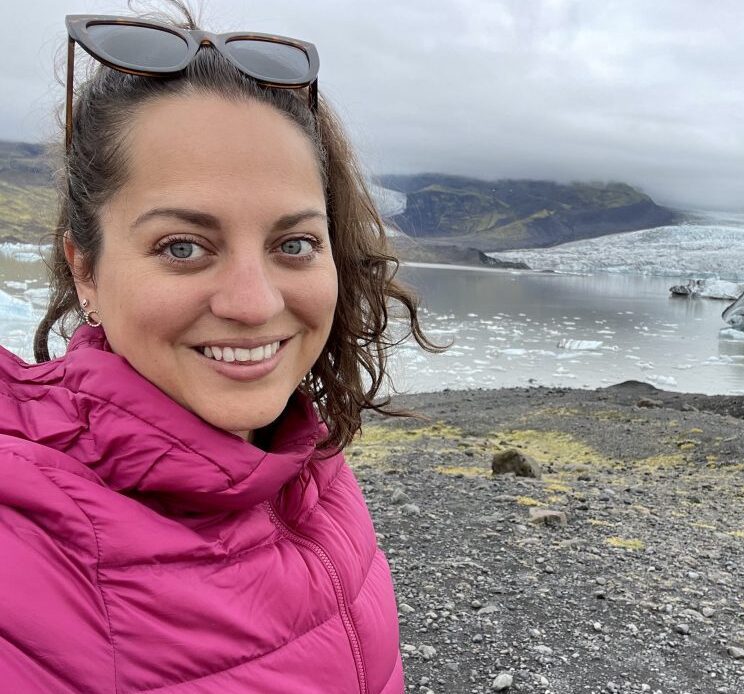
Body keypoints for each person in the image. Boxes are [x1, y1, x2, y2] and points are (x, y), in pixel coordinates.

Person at [0, 4, 442, 692]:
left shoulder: (310, 470)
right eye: (183, 247)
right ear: (85, 267)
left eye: (293, 244)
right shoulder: (26, 544)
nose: (254, 303)